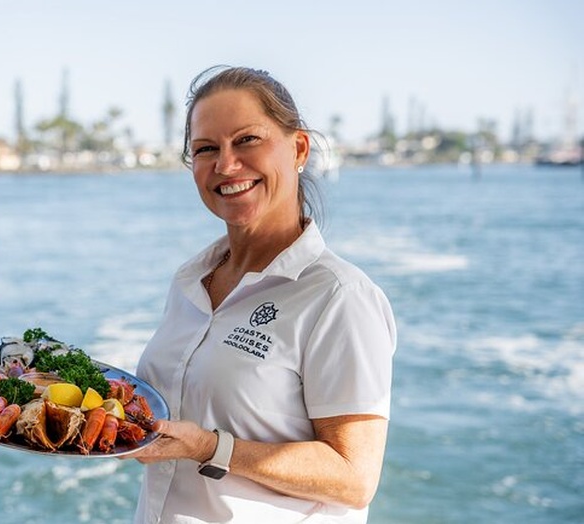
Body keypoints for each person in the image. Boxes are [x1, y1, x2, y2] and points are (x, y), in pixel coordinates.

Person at [128, 66, 397, 523]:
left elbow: (354, 478)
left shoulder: (340, 297)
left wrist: (210, 447)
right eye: (206, 148)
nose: (226, 165)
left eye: (247, 140)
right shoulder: (190, 280)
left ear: (299, 149)